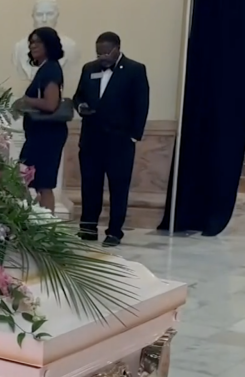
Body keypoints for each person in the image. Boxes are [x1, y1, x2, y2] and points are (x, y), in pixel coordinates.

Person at [73, 32, 149, 247]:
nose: (102, 56)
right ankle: (87, 227)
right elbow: (78, 95)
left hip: (119, 141)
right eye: (99, 52)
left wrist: (135, 135)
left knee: (118, 187)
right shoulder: (89, 68)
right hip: (91, 139)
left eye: (106, 52)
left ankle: (114, 231)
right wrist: (80, 107)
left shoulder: (135, 70)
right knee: (90, 185)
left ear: (117, 48)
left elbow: (141, 103)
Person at [18, 27, 68, 213]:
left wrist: (26, 100)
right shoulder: (45, 68)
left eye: (38, 42)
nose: (33, 45)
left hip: (47, 136)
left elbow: (50, 103)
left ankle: (46, 225)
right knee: (29, 179)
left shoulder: (51, 68)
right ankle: (38, 221)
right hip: (39, 135)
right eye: (31, 42)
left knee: (42, 182)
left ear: (49, 44)